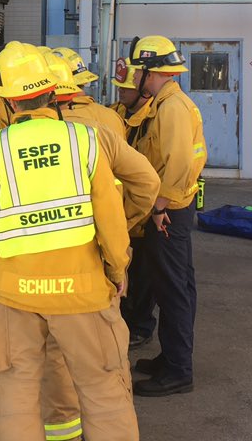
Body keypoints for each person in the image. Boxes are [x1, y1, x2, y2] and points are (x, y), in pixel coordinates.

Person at [0, 42, 138, 441]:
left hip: (13, 291)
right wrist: (117, 269)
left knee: (16, 393)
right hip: (83, 291)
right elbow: (111, 222)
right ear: (52, 93)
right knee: (102, 388)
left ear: (8, 101)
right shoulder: (85, 142)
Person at [38, 51, 160, 441]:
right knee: (105, 357)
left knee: (55, 358)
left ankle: (64, 428)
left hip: (45, 263)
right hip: (100, 253)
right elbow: (143, 183)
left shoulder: (15, 134)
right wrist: (122, 230)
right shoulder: (107, 123)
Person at [126, 35, 208, 397]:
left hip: (169, 209)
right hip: (174, 206)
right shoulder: (165, 101)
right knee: (175, 284)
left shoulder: (172, 107)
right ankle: (171, 357)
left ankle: (178, 370)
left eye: (136, 70)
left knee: (173, 289)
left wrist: (158, 208)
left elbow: (177, 163)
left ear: (148, 71)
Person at [108, 56, 158, 347]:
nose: (120, 93)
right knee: (121, 269)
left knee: (143, 273)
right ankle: (124, 321)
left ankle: (140, 325)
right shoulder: (115, 114)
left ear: (144, 91)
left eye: (125, 89)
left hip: (144, 209)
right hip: (118, 208)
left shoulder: (155, 118)